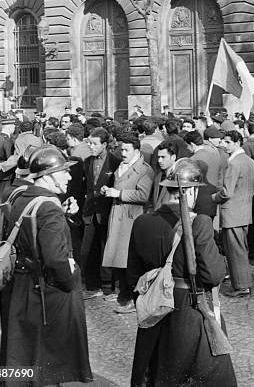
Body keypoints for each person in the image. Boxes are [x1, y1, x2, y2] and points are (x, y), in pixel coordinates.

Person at [127, 159, 236, 387]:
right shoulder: (201, 222)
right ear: (192, 191)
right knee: (203, 373)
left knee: (156, 373)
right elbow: (213, 275)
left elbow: (132, 276)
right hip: (190, 308)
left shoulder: (142, 222)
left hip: (154, 307)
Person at [0, 145, 93, 385]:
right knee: (49, 360)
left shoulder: (20, 196)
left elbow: (31, 231)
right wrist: (72, 281)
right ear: (48, 175)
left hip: (21, 284)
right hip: (46, 291)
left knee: (25, 352)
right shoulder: (49, 207)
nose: (70, 176)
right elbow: (55, 259)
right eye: (64, 172)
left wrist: (64, 216)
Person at [102, 132, 154, 312]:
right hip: (117, 214)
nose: (122, 152)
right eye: (121, 149)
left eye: (126, 149)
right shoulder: (122, 165)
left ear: (136, 150)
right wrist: (109, 190)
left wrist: (119, 194)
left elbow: (143, 195)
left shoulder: (144, 170)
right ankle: (123, 294)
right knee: (118, 258)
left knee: (129, 260)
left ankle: (133, 298)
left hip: (131, 218)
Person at [213, 130, 254, 298]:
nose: (224, 145)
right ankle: (242, 283)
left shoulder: (233, 163)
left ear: (237, 143)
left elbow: (226, 192)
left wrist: (213, 197)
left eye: (228, 142)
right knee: (240, 249)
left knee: (235, 251)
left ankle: (242, 286)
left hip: (232, 212)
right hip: (244, 210)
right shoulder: (250, 162)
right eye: (224, 141)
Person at [80, 127, 121, 300]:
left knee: (107, 248)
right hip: (90, 212)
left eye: (94, 144)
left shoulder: (115, 162)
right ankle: (92, 284)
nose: (91, 146)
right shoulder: (87, 162)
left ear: (104, 144)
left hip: (106, 212)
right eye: (89, 143)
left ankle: (108, 286)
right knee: (88, 249)